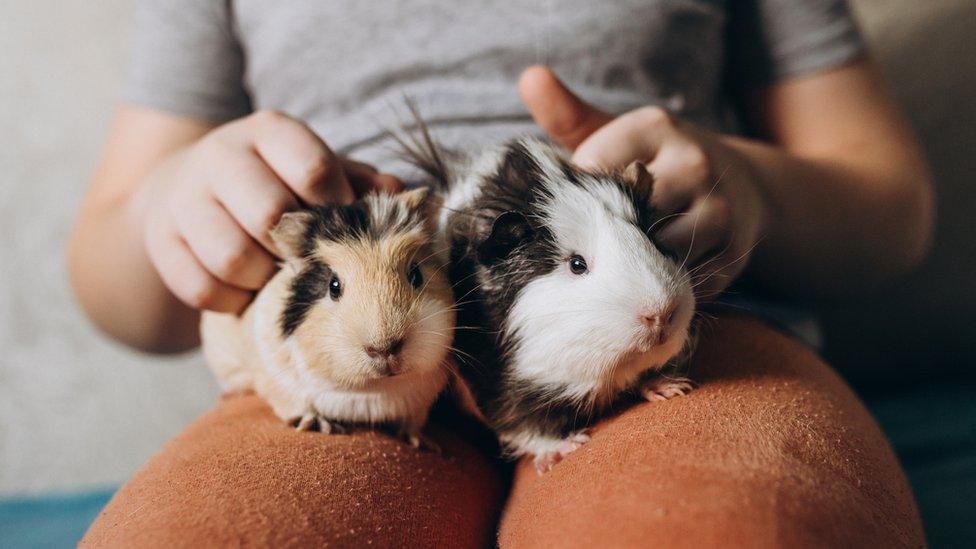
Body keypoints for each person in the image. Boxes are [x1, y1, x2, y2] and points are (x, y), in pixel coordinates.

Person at [71, 1, 933, 546]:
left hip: (686, 339)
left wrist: (748, 186)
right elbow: (114, 287)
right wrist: (169, 208)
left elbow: (895, 210)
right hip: (345, 378)